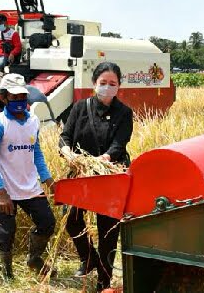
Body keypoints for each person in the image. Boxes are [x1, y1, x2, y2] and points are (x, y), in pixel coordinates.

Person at [59, 62, 134, 291]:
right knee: (70, 217)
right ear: (94, 84)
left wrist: (104, 160)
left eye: (113, 84)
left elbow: (119, 144)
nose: (107, 87)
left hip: (109, 174)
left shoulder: (124, 113)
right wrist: (67, 152)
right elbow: (65, 136)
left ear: (119, 86)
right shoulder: (80, 107)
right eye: (103, 83)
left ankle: (104, 280)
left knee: (108, 229)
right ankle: (88, 256)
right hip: (81, 172)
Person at [0, 73, 56, 280]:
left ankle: (33, 258)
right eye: (14, 97)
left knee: (47, 222)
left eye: (22, 97)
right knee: (6, 233)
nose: (19, 101)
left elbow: (36, 153)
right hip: (5, 190)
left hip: (30, 186)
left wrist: (48, 179)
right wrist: (2, 193)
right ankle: (7, 273)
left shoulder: (33, 121)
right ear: (4, 97)